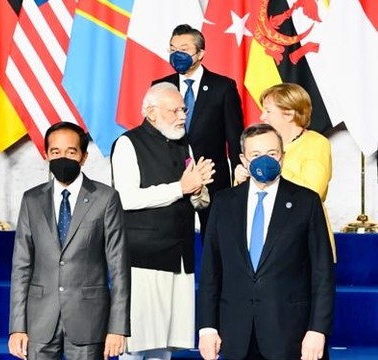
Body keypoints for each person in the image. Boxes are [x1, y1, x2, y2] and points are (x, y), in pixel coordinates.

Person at [198, 124, 334, 360]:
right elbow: (211, 270)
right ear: (243, 159)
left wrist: (318, 330)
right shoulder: (224, 203)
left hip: (291, 336)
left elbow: (322, 273)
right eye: (256, 155)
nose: (265, 161)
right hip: (236, 336)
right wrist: (207, 327)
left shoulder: (306, 202)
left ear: (283, 157)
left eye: (272, 154)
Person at [9, 122, 131, 360]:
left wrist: (118, 328)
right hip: (40, 321)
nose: (62, 157)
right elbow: (21, 266)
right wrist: (17, 327)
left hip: (88, 319)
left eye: (70, 152)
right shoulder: (31, 200)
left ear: (83, 157)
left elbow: (119, 268)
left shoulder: (106, 198)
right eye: (55, 152)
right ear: (46, 155)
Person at [111, 83, 214, 360]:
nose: (182, 115)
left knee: (164, 346)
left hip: (180, 256)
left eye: (184, 109)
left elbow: (195, 201)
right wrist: (181, 188)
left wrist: (199, 189)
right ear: (151, 112)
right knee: (136, 345)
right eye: (175, 110)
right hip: (143, 258)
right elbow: (125, 198)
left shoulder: (184, 144)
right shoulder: (127, 143)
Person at [152, 24, 243, 240]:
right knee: (171, 241)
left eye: (184, 49)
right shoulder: (160, 86)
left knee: (214, 241)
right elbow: (152, 136)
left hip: (212, 179)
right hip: (171, 177)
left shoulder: (223, 87)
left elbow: (235, 136)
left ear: (200, 53)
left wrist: (238, 181)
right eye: (173, 49)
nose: (177, 55)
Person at [234, 82, 335, 260]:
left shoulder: (316, 143)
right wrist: (241, 179)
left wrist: (270, 168)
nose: (262, 116)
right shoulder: (264, 143)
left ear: (289, 114)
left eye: (268, 111)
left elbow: (312, 191)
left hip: (304, 242)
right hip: (266, 243)